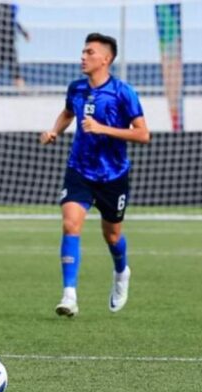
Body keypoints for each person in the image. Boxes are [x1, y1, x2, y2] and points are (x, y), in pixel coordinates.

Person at [40, 33, 150, 317]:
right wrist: (55, 130)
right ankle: (69, 295)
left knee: (112, 236)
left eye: (89, 52)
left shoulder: (123, 92)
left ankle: (121, 271)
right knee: (70, 223)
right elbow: (67, 113)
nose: (83, 57)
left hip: (113, 175)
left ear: (106, 58)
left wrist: (104, 129)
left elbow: (143, 133)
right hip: (79, 169)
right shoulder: (76, 88)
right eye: (82, 52)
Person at [0, 3, 28, 88]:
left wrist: (24, 33)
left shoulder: (10, 6)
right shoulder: (3, 7)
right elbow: (3, 22)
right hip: (4, 39)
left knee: (5, 61)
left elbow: (14, 21)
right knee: (6, 61)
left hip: (9, 38)